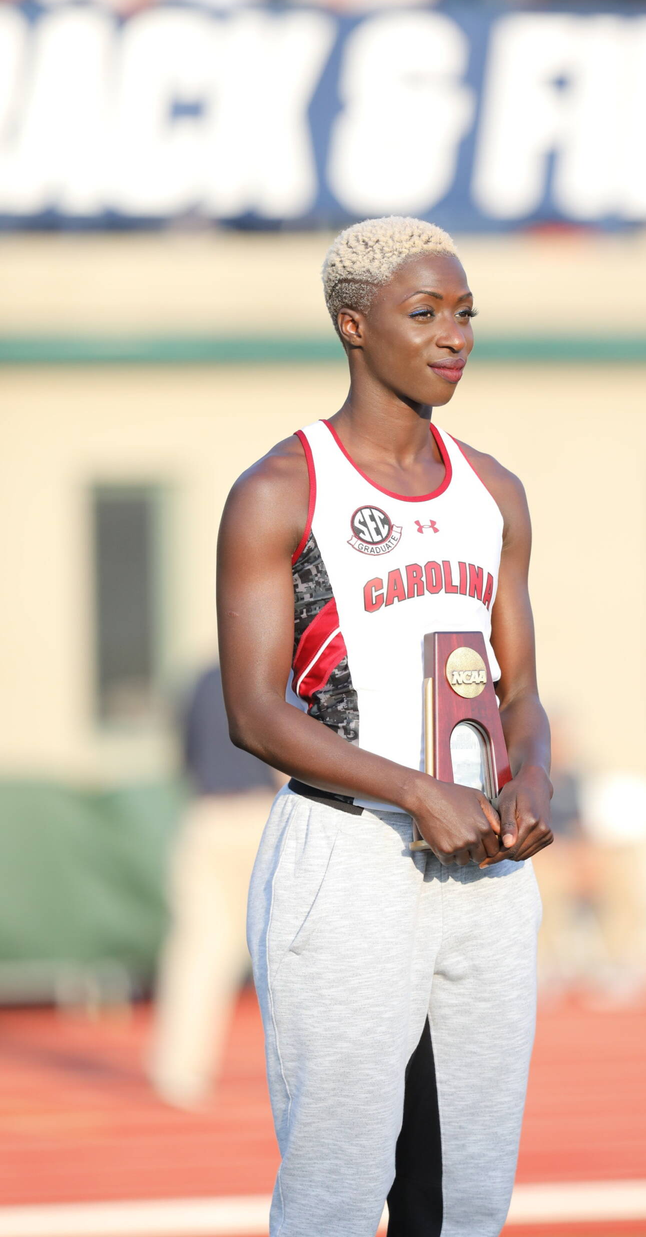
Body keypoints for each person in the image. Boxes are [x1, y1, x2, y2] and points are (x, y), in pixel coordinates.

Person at [217, 215, 553, 1237]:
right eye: (424, 312)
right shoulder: (281, 489)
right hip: (348, 852)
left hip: (486, 868)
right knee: (334, 1190)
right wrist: (413, 789)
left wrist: (535, 777)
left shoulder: (493, 490)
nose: (453, 335)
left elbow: (521, 691)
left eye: (465, 313)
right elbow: (253, 713)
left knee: (464, 1197)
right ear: (353, 324)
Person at [148, 662, 277, 1108]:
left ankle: (180, 1072)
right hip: (265, 816)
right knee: (293, 948)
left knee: (199, 949)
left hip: (206, 816)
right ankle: (319, 1073)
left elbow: (183, 755)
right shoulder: (283, 671)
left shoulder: (201, 679)